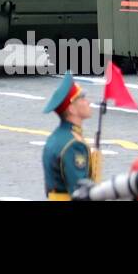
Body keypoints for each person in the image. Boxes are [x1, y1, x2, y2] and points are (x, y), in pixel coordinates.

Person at [42, 72, 97, 200]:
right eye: (82, 99)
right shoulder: (74, 144)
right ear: (71, 109)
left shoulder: (55, 138)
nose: (88, 102)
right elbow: (80, 192)